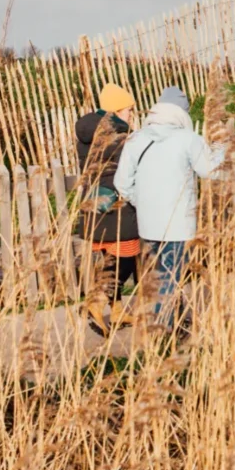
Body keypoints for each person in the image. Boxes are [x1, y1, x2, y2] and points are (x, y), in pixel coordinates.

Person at [115, 87, 224, 333]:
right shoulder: (188, 139)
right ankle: (165, 330)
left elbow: (121, 183)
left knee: (160, 276)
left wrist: (141, 201)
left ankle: (166, 323)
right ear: (181, 113)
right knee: (170, 277)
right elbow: (211, 172)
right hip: (178, 224)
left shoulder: (136, 139)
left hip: (148, 224)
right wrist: (220, 149)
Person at [74, 83, 141, 335]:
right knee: (124, 256)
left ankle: (118, 311)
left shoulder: (88, 133)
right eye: (129, 110)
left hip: (94, 203)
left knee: (111, 256)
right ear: (117, 110)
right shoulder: (119, 136)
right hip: (117, 205)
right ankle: (98, 301)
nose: (131, 114)